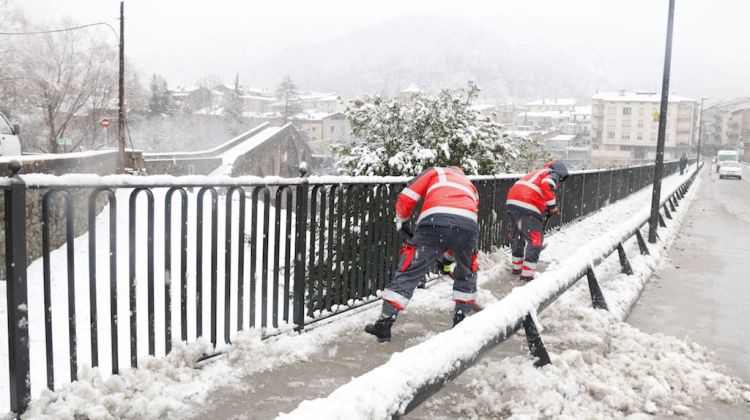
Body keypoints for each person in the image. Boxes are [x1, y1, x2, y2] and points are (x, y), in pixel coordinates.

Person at [365, 166, 480, 342]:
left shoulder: (437, 172)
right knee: (466, 272)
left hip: (434, 224)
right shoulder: (470, 185)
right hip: (468, 227)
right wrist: (448, 261)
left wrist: (402, 221)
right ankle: (460, 321)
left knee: (410, 270)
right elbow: (456, 229)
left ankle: (384, 323)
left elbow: (408, 196)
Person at [505, 160, 569, 281]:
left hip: (512, 202)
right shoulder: (551, 173)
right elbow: (547, 184)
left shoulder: (536, 173)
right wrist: (552, 206)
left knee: (517, 236)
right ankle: (527, 275)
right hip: (527, 204)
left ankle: (517, 267)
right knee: (535, 240)